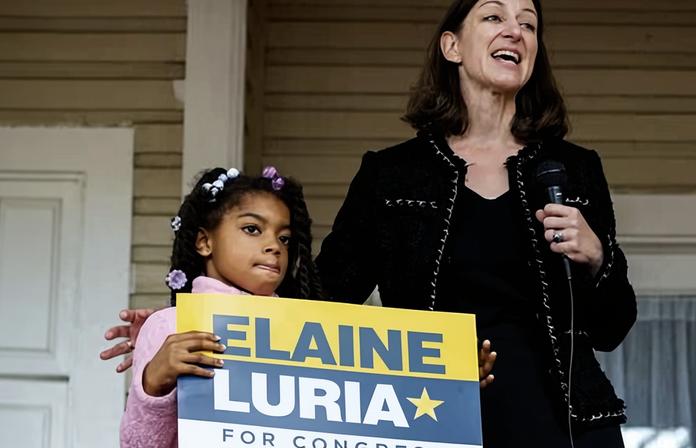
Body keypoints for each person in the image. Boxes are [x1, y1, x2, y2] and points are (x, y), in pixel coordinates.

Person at [105, 0, 635, 446]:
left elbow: (613, 327)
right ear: (452, 46)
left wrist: (598, 257)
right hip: (430, 420)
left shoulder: (573, 169)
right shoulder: (392, 176)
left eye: (528, 23)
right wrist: (210, 315)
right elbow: (322, 297)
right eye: (493, 17)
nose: (514, 31)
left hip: (566, 424)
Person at [119, 167, 323, 448]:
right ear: (204, 242)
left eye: (284, 238)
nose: (274, 246)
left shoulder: (308, 331)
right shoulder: (170, 326)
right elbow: (137, 445)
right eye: (252, 229)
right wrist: (155, 382)